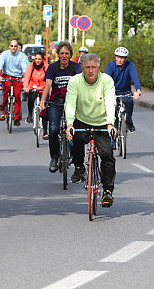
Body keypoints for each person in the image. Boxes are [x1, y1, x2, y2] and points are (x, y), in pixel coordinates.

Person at [65, 53, 116, 207]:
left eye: (93, 67)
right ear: (82, 68)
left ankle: (107, 191)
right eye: (87, 67)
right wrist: (69, 124)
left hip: (102, 122)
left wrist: (110, 123)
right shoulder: (75, 81)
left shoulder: (106, 80)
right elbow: (70, 103)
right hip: (81, 120)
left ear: (99, 68)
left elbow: (110, 102)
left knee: (107, 154)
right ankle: (79, 167)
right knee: (75, 140)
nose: (91, 70)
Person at [39, 41, 82, 172]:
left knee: (77, 131)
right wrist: (43, 100)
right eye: (62, 53)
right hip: (56, 101)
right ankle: (54, 157)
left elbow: (81, 84)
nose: (64, 56)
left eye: (67, 53)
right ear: (58, 54)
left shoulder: (76, 68)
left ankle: (76, 157)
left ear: (70, 55)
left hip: (73, 102)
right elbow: (47, 85)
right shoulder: (53, 67)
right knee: (53, 128)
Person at [105, 46, 141, 133]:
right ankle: (115, 131)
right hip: (113, 92)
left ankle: (129, 122)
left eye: (122, 58)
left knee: (129, 102)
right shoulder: (110, 66)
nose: (120, 60)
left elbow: (135, 77)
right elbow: (105, 80)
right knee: (114, 108)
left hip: (126, 91)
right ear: (115, 57)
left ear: (126, 59)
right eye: (118, 57)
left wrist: (138, 89)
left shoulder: (130, 65)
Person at [0, 39, 29, 126]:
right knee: (6, 91)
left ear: (17, 47)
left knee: (17, 96)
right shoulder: (4, 54)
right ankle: (4, 104)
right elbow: (0, 66)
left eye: (15, 46)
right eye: (12, 46)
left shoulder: (21, 55)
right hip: (7, 75)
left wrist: (25, 78)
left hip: (17, 77)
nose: (13, 48)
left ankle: (17, 118)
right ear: (9, 46)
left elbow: (24, 69)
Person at [23, 51, 49, 139]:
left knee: (44, 108)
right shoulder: (31, 65)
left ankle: (45, 131)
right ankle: (30, 114)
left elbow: (49, 79)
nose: (37, 61)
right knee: (31, 98)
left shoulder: (46, 66)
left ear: (43, 60)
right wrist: (26, 87)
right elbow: (27, 76)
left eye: (39, 59)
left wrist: (50, 89)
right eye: (36, 59)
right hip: (33, 87)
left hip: (43, 88)